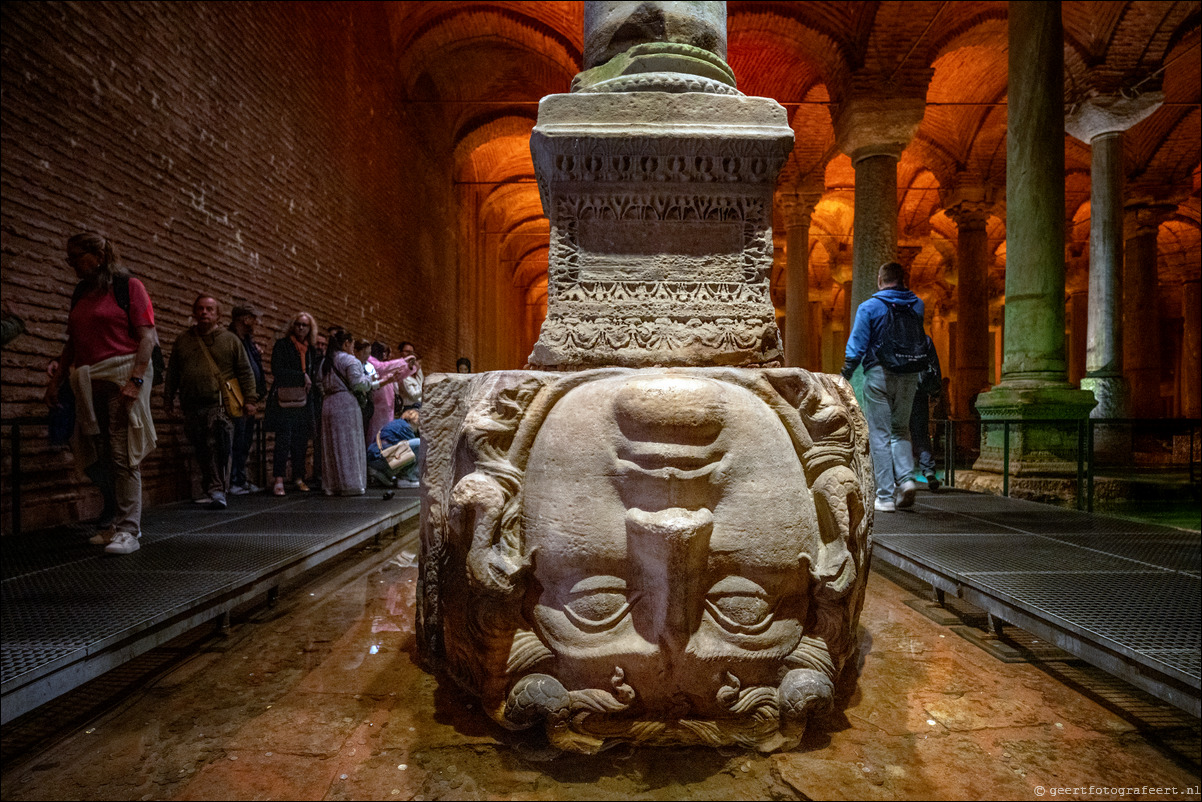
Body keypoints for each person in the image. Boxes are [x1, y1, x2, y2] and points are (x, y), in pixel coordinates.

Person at [45, 233, 158, 555]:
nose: (71, 265)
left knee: (123, 455)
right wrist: (55, 382)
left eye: (75, 257)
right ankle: (112, 522)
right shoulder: (82, 291)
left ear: (98, 254)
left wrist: (135, 381)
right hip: (87, 380)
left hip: (121, 377)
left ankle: (128, 530)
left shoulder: (128, 285)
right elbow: (74, 340)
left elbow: (147, 338)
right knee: (99, 456)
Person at [841, 261, 925, 513]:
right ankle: (907, 480)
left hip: (879, 373)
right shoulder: (917, 305)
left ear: (880, 280)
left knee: (879, 433)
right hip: (910, 373)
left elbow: (857, 345)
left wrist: (845, 373)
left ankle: (885, 496)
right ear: (904, 279)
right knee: (901, 430)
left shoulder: (869, 307)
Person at [164, 295, 258, 509]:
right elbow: (173, 372)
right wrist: (168, 398)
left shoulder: (230, 340)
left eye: (209, 309)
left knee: (218, 444)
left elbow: (245, 370)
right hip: (192, 404)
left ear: (218, 315)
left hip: (220, 403)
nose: (204, 312)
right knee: (200, 447)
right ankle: (210, 487)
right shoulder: (183, 340)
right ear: (194, 312)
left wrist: (250, 399)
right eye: (200, 309)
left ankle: (217, 489)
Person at [266, 312, 318, 496]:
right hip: (286, 399)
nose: (301, 328)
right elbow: (277, 369)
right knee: (283, 439)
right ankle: (278, 478)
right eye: (298, 324)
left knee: (301, 441)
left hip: (304, 400)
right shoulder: (283, 345)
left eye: (305, 325)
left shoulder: (311, 350)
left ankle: (298, 477)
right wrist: (300, 376)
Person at [319, 329, 371, 495]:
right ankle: (351, 484)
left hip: (328, 403)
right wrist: (370, 380)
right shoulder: (350, 360)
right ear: (347, 343)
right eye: (352, 344)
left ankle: (332, 485)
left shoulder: (325, 362)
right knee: (348, 443)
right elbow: (358, 384)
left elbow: (318, 384)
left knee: (331, 445)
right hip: (346, 404)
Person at [228, 305, 266, 494]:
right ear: (245, 319)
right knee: (237, 441)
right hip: (236, 399)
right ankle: (234, 480)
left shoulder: (248, 342)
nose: (256, 323)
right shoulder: (231, 339)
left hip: (249, 399)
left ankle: (240, 479)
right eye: (254, 318)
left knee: (244, 441)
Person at [365, 341, 418, 446]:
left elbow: (397, 376)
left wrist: (409, 367)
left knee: (387, 432)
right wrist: (404, 362)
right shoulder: (371, 362)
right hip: (378, 405)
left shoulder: (386, 365)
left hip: (388, 405)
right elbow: (382, 367)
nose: (388, 355)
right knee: (376, 433)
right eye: (386, 352)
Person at [910, 336, 943, 491]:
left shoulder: (891, 333)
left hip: (898, 392)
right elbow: (934, 366)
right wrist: (935, 390)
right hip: (919, 392)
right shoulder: (924, 339)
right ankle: (929, 471)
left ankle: (901, 475)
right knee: (921, 433)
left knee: (897, 434)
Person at [367, 414, 421, 488]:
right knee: (419, 444)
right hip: (380, 458)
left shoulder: (398, 423)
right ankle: (407, 479)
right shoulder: (406, 428)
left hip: (374, 459)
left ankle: (383, 474)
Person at [396, 341, 423, 413]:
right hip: (409, 408)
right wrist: (424, 389)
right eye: (407, 352)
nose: (410, 355)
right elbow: (413, 395)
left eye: (412, 352)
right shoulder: (403, 375)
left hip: (419, 406)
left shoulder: (417, 375)